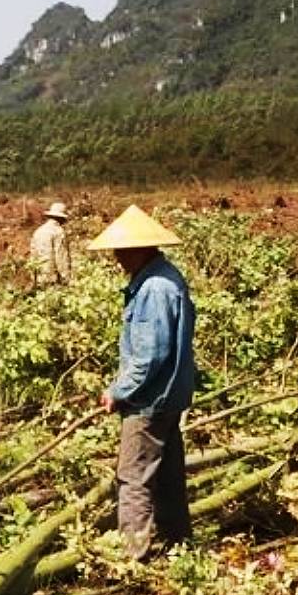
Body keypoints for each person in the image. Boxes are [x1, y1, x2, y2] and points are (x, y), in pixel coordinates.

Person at [88, 205, 197, 560]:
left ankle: (133, 555)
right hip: (169, 398)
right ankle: (178, 542)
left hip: (149, 401)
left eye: (121, 250)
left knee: (133, 477)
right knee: (166, 473)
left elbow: (149, 355)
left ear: (140, 248)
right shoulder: (165, 277)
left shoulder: (153, 288)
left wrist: (118, 391)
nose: (117, 257)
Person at [30, 202, 73, 286]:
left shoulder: (38, 231)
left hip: (40, 277)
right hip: (53, 278)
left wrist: (33, 277)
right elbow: (61, 256)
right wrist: (66, 278)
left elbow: (33, 256)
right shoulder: (58, 232)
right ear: (61, 218)